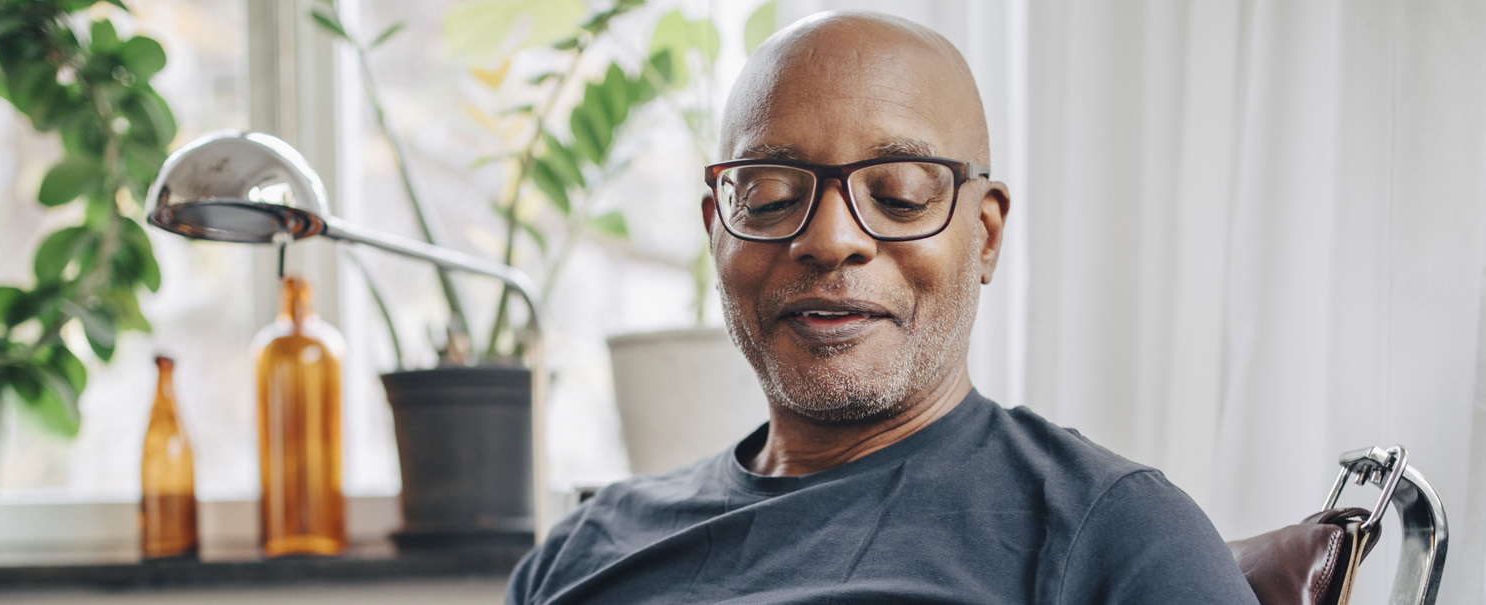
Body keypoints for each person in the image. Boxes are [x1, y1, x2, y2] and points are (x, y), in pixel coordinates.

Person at [508, 10, 1259, 604]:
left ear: (986, 234)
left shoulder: (1116, 534)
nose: (830, 240)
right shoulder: (583, 551)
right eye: (771, 196)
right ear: (718, 231)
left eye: (898, 195)